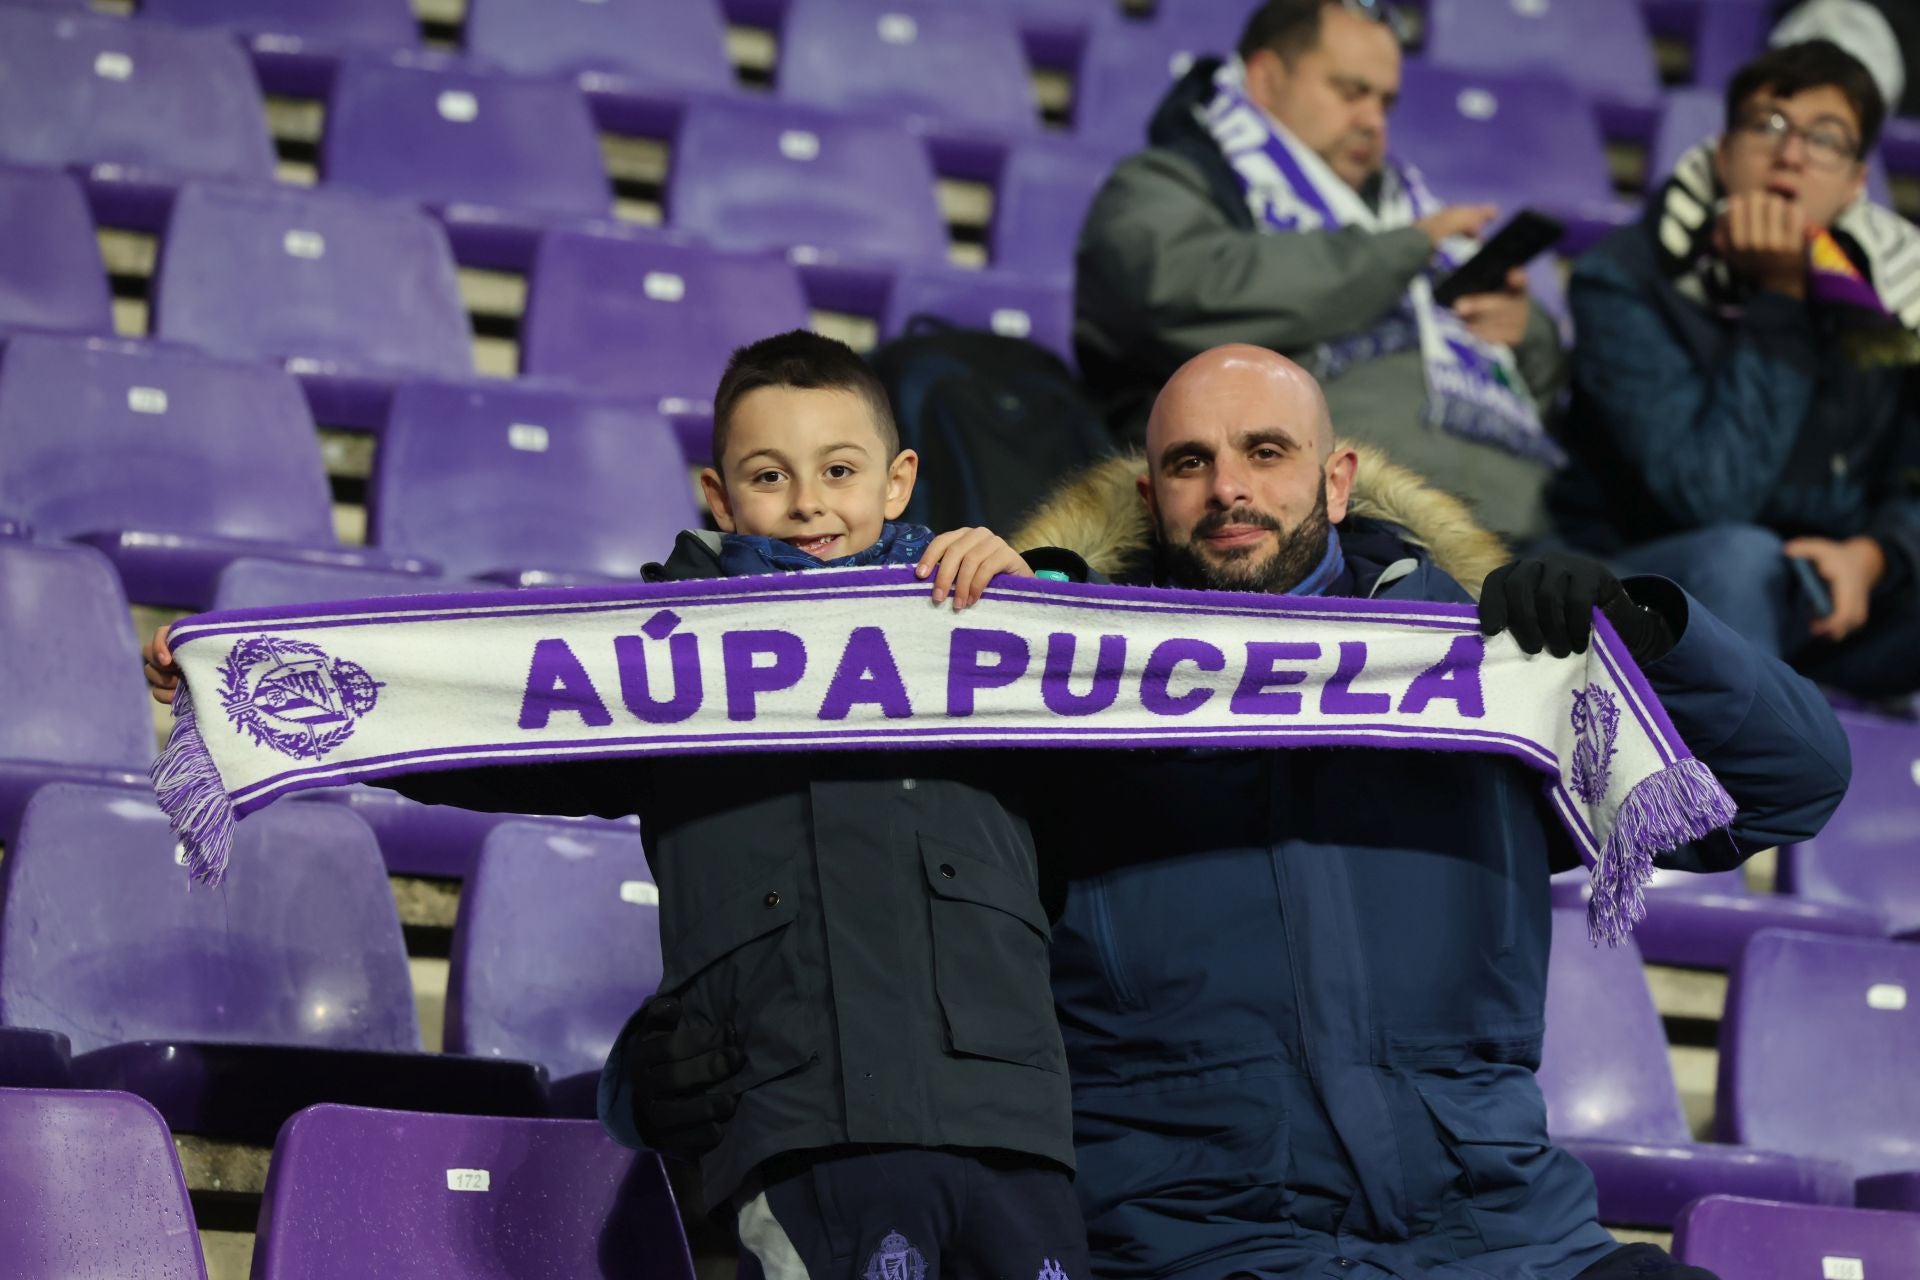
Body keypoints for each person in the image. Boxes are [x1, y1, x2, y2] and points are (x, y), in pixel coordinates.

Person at [633, 347, 1851, 1280]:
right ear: (1151, 492)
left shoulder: (1483, 674)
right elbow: (870, 900)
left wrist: (1651, 637)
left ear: (1334, 477)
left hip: (1507, 1239)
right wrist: (678, 1066)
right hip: (1197, 1247)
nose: (1229, 490)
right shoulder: (1057, 704)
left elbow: (1791, 782)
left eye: (1265, 452)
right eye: (1189, 462)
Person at [144, 331, 1093, 1280]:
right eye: (770, 475)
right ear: (719, 497)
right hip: (805, 1130)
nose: (809, 502)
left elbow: (1151, 701)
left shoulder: (989, 621)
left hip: (1014, 1130)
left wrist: (1053, 586)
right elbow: (468, 708)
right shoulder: (659, 656)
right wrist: (244, 673)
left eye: (840, 469)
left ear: (898, 482)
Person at [1073, 0, 1568, 541]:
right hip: (1329, 537)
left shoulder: (1398, 208)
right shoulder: (1165, 182)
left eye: (1384, 102)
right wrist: (1397, 253)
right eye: (1350, 92)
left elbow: (1536, 399)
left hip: (1522, 527)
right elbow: (1176, 290)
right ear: (1266, 78)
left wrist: (1526, 335)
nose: (1372, 122)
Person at [1552, 41, 1920, 699]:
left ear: (1855, 182)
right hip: (1653, 580)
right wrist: (1779, 298)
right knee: (1742, 558)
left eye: (1826, 139)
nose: (1792, 153)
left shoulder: (1889, 302)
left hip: (1829, 593)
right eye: (1767, 125)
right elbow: (1708, 495)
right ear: (1724, 154)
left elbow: (1910, 479)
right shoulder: (1627, 278)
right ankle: (1739, 797)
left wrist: (1875, 557)